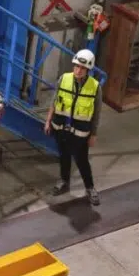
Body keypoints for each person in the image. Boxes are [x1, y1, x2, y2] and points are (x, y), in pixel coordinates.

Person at [43, 48, 101, 206]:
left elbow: (96, 113)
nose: (78, 70)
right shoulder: (64, 79)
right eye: (76, 66)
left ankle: (90, 188)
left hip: (81, 132)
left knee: (82, 160)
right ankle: (64, 181)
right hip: (60, 128)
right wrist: (48, 121)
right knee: (64, 156)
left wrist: (93, 134)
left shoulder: (95, 87)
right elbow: (54, 101)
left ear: (88, 70)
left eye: (82, 68)